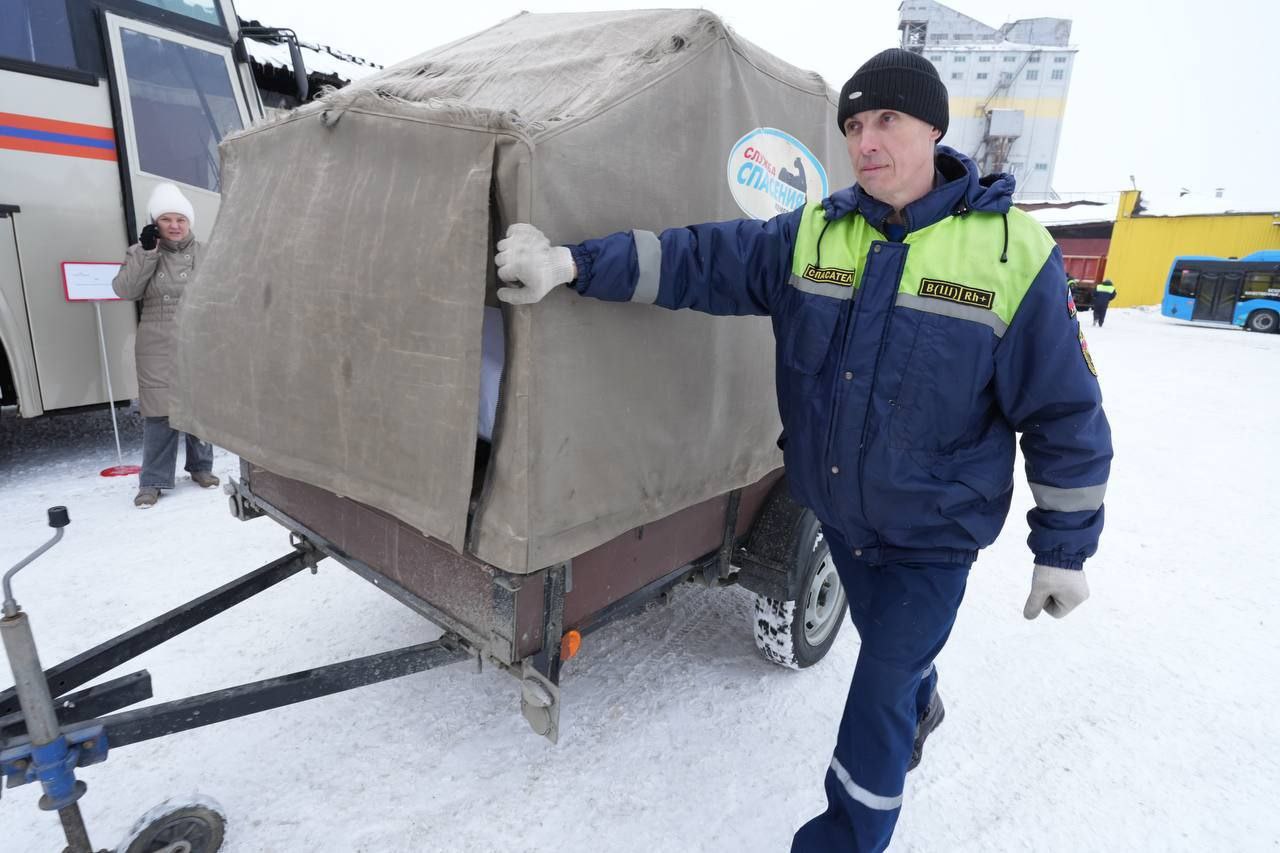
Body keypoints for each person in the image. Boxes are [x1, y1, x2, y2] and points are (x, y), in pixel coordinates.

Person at [494, 47, 1112, 852]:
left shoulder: (1012, 254)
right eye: (853, 125)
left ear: (933, 127)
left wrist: (1063, 548)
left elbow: (1065, 410)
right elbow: (698, 260)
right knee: (898, 660)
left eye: (886, 119)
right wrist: (573, 263)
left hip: (932, 539)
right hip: (841, 520)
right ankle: (919, 697)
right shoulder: (816, 233)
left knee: (878, 691)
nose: (865, 141)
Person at [112, 182, 219, 508]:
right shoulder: (141, 251)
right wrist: (147, 253)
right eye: (167, 219)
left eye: (181, 219)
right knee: (159, 412)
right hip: (156, 341)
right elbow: (125, 290)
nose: (174, 225)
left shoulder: (204, 251)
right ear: (155, 222)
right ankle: (153, 480)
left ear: (189, 222)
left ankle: (201, 467)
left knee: (199, 406)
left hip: (196, 337)